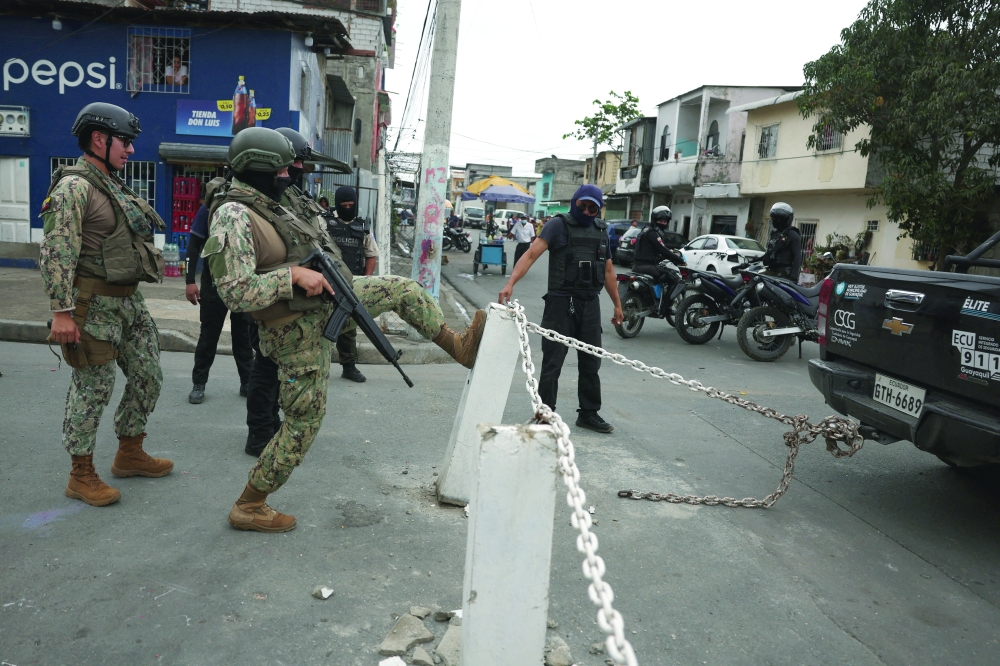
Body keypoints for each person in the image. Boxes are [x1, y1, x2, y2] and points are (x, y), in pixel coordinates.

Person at [206, 129, 486, 530]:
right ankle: (249, 504)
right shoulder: (233, 215)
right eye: (285, 168)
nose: (292, 174)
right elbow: (235, 291)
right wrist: (293, 277)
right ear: (261, 170)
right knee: (304, 422)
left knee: (403, 290)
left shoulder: (275, 203)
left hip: (328, 299)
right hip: (292, 329)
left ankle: (457, 346)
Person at [40, 102, 174, 507]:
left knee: (149, 374)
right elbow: (57, 251)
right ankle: (81, 473)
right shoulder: (74, 187)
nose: (131, 149)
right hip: (91, 305)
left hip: (128, 301)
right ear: (99, 139)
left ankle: (129, 452)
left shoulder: (112, 183)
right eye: (126, 141)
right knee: (93, 388)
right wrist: (62, 312)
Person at [498, 185, 624, 434]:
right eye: (582, 205)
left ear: (599, 209)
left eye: (592, 208)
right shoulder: (557, 225)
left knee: (591, 361)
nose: (586, 211)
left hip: (590, 303)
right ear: (574, 202)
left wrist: (617, 305)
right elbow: (531, 254)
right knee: (553, 362)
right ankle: (545, 415)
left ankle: (589, 414)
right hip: (560, 302)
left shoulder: (601, 231)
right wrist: (510, 282)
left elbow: (608, 270)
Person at [183, 195, 254, 404]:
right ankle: (199, 383)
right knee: (209, 335)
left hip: (242, 282)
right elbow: (194, 245)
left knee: (244, 335)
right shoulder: (211, 207)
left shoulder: (249, 206)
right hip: (214, 283)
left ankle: (247, 382)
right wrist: (189, 281)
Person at [324, 184, 378, 383]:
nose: (348, 208)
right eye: (343, 205)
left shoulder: (362, 227)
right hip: (325, 281)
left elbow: (371, 255)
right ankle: (316, 366)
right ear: (337, 205)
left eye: (351, 204)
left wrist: (365, 279)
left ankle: (349, 366)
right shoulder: (324, 223)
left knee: (347, 327)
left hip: (351, 283)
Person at [632, 206, 685, 283]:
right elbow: (662, 249)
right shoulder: (653, 233)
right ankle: (662, 295)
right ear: (654, 220)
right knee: (673, 278)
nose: (663, 223)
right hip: (647, 267)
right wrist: (677, 259)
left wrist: (669, 253)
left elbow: (655, 250)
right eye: (660, 221)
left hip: (637, 266)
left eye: (665, 221)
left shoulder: (645, 230)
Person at [760, 202, 802, 282]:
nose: (776, 221)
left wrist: (794, 275)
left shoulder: (792, 234)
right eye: (775, 218)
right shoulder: (776, 234)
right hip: (771, 271)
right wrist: (753, 260)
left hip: (783, 274)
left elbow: (797, 256)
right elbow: (771, 253)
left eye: (779, 218)